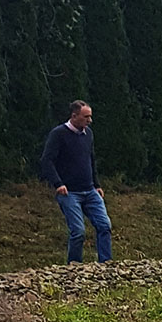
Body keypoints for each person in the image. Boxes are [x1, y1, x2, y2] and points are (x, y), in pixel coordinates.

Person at [39, 100, 112, 264]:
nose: (89, 120)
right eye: (86, 117)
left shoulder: (88, 134)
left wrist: (97, 184)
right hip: (69, 192)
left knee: (104, 225)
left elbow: (91, 160)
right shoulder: (58, 134)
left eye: (90, 117)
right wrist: (58, 183)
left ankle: (106, 263)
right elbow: (47, 160)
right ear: (74, 116)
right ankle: (74, 266)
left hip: (90, 190)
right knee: (78, 232)